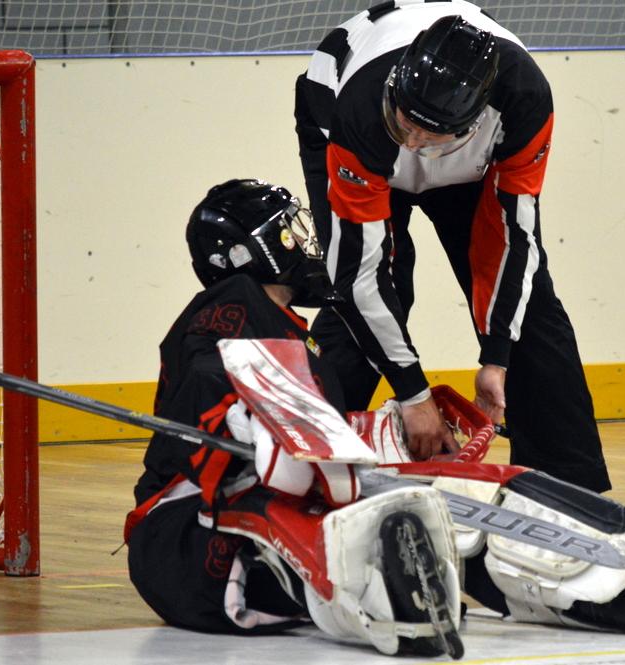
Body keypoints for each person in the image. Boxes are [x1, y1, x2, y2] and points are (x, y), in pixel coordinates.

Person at [124, 179, 464, 658]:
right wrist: (242, 419)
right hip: (180, 533)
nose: (303, 242)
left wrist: (376, 440)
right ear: (249, 251)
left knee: (355, 508)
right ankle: (375, 588)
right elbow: (205, 374)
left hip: (207, 542)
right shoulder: (235, 302)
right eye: (288, 231)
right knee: (291, 506)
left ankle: (378, 589)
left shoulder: (296, 334)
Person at [294, 0, 612, 492]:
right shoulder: (358, 107)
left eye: (431, 134)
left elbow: (513, 239)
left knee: (532, 307)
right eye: (408, 125)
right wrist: (413, 395)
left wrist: (497, 356)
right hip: (353, 133)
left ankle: (567, 490)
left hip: (471, 165)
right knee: (369, 294)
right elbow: (360, 277)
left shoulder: (526, 99)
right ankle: (305, 465)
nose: (415, 144)